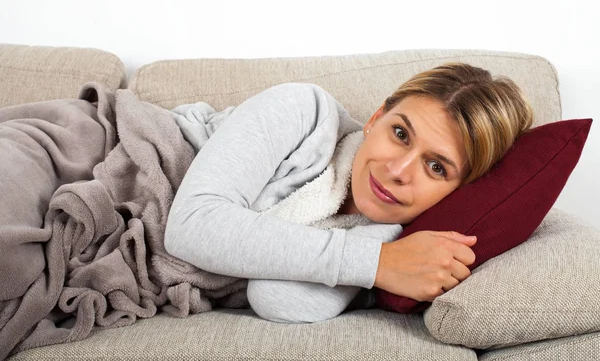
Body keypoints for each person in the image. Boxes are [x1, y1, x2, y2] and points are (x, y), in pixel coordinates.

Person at [164, 62, 534, 323]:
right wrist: (377, 264)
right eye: (400, 134)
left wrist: (384, 249)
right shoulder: (304, 111)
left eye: (436, 167)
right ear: (375, 119)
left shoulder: (397, 244)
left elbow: (276, 299)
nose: (397, 171)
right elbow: (191, 224)